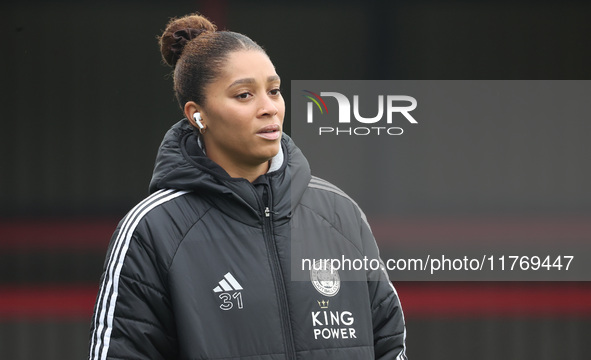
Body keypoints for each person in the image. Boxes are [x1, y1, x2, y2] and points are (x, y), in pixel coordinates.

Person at [88, 12, 407, 360]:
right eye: (244, 95)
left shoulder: (339, 213)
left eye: (273, 91)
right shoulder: (153, 230)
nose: (269, 108)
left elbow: (390, 345)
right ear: (198, 115)